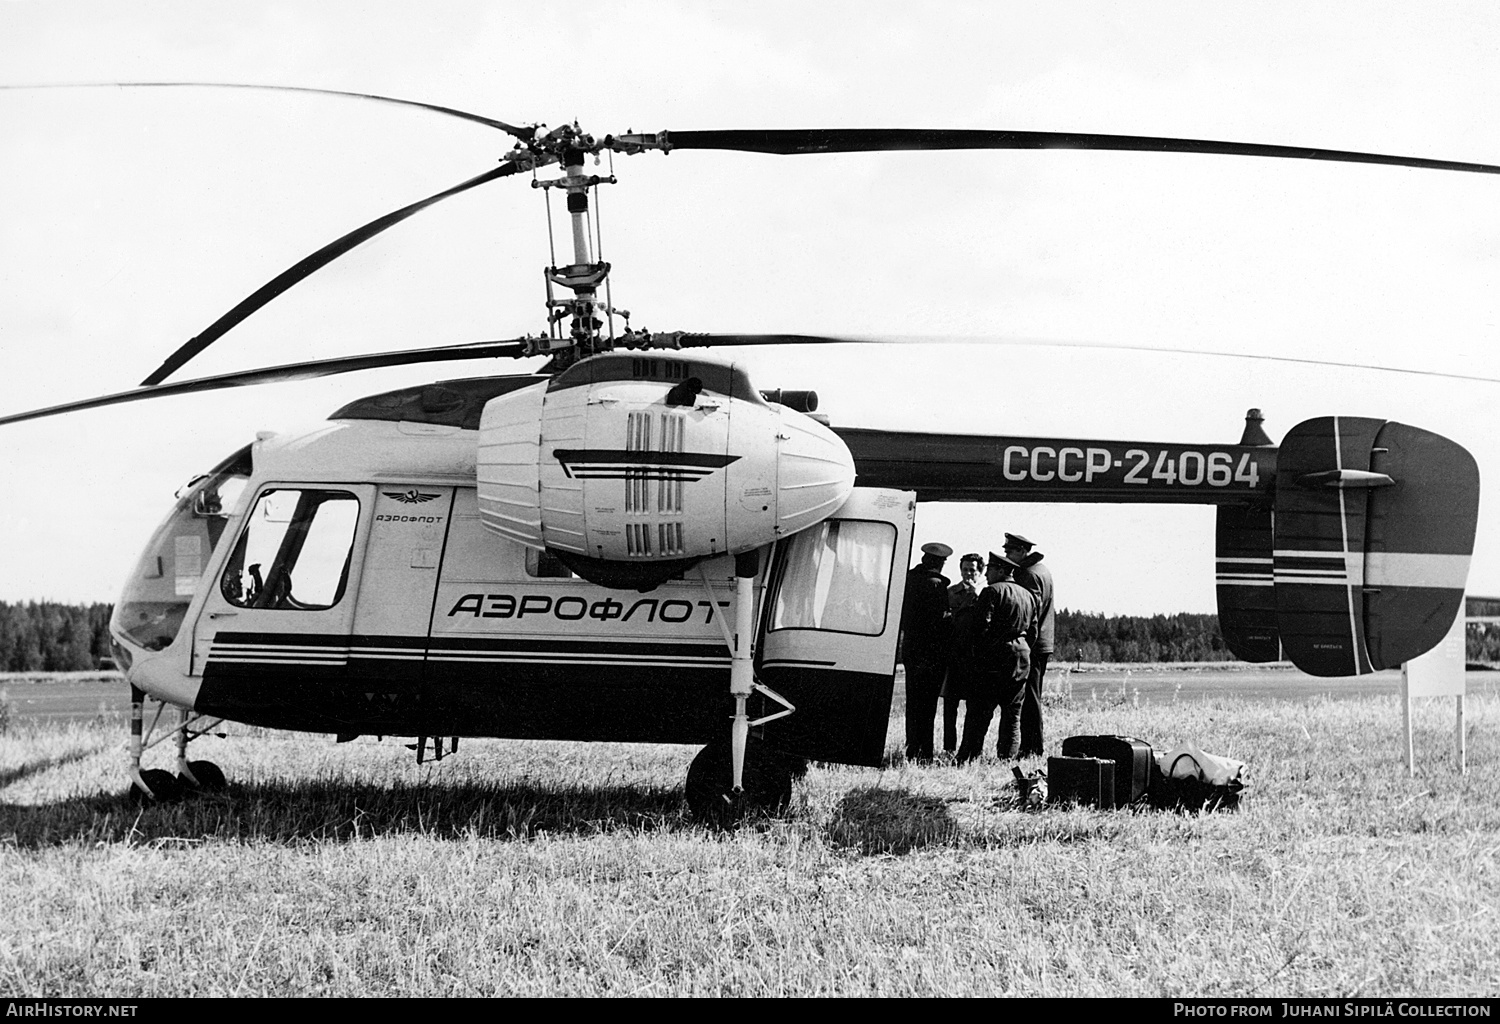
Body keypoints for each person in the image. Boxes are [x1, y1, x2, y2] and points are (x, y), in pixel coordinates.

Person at [956, 551, 1036, 764]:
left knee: (978, 712)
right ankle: (1007, 759)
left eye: (990, 569)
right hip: (1021, 658)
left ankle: (968, 757)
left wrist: (978, 655)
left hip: (994, 659)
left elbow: (980, 627)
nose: (987, 574)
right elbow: (1033, 632)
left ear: (1000, 570)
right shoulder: (1027, 595)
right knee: (1012, 714)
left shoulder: (992, 591)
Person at [900, 541, 952, 762]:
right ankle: (925, 753)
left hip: (912, 650)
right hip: (931, 653)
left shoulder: (908, 580)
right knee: (928, 706)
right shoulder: (936, 585)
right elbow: (940, 622)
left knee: (913, 704)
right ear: (939, 563)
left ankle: (912, 748)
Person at [1005, 532, 1055, 759]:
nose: (1007, 555)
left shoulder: (1027, 574)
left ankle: (1032, 748)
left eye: (1010, 551)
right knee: (1031, 696)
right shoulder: (1042, 570)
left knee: (1029, 698)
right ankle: (1031, 746)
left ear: (1022, 551)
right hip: (1042, 643)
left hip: (1033, 645)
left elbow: (1029, 612)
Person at [941, 552, 985, 754]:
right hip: (953, 657)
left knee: (974, 707)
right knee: (950, 705)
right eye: (965, 569)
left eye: (972, 570)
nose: (968, 574)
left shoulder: (985, 594)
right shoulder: (951, 593)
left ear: (980, 572)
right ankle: (948, 748)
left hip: (974, 659)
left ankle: (967, 749)